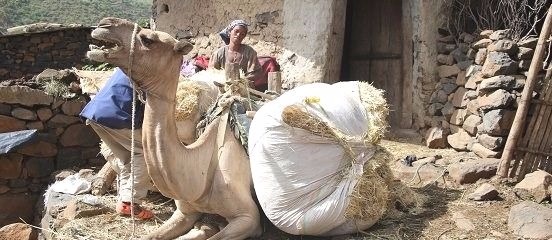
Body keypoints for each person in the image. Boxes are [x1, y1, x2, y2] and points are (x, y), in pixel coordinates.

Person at [80, 67, 154, 220]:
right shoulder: (149, 67)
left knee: (127, 157)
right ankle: (130, 202)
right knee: (145, 153)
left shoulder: (127, 64)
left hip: (96, 114)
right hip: (116, 115)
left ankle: (123, 200)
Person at [209, 19, 262, 84]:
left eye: (242, 34)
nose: (238, 35)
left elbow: (255, 73)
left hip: (244, 88)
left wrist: (241, 81)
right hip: (222, 87)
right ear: (229, 32)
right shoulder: (219, 53)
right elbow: (211, 72)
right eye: (236, 31)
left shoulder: (250, 52)